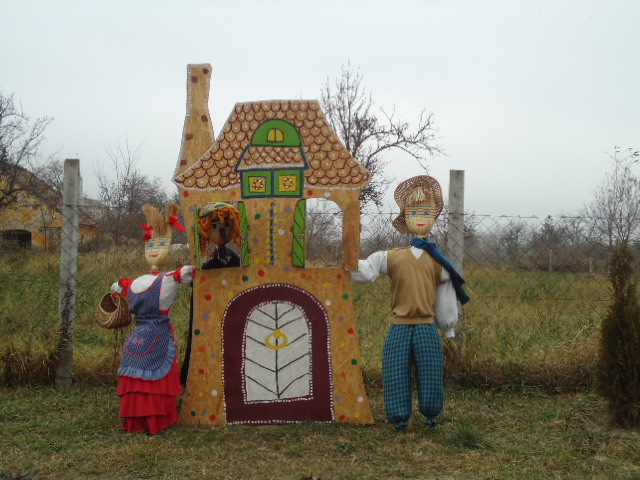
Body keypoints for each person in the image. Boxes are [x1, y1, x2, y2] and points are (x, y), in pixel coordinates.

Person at [350, 175, 469, 431]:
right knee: (395, 370)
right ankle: (399, 416)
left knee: (431, 372)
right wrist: (348, 259)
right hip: (399, 326)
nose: (421, 217)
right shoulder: (391, 257)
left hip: (427, 326)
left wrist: (448, 327)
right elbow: (367, 271)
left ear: (434, 216)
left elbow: (446, 298)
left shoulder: (439, 262)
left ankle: (431, 413)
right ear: (405, 217)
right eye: (414, 212)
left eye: (426, 212)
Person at [111, 202, 195, 434]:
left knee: (136, 373)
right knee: (155, 374)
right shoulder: (169, 278)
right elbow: (191, 272)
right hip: (159, 334)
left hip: (136, 337)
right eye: (152, 245)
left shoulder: (131, 283)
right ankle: (155, 420)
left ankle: (135, 421)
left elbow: (115, 287)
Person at [197, 202, 242, 270]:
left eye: (226, 225)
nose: (222, 232)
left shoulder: (235, 259)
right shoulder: (212, 258)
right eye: (214, 226)